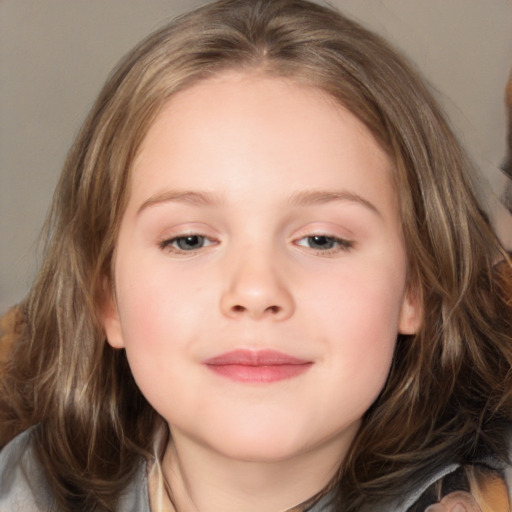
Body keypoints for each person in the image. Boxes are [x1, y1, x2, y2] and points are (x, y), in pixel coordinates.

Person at [0, 0, 511, 510]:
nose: (256, 290)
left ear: (414, 287)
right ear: (107, 297)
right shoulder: (27, 486)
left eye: (321, 240)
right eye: (190, 240)